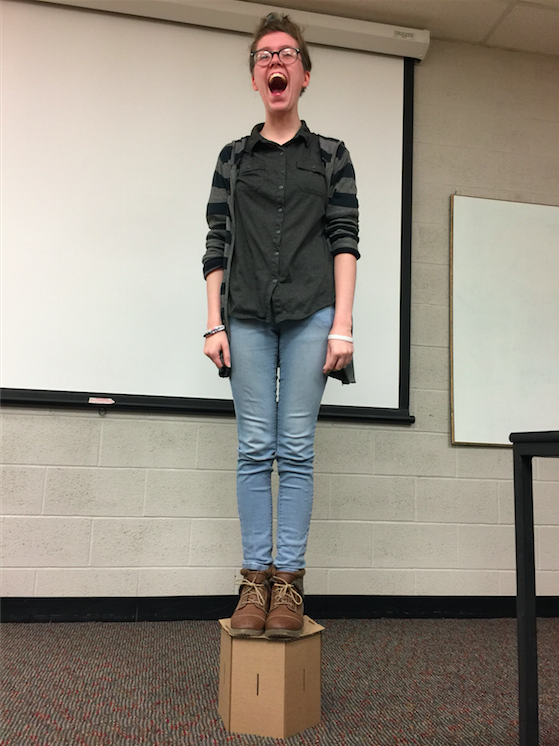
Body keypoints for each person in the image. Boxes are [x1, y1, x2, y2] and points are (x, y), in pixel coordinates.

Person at [202, 13, 359, 638]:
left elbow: (344, 239)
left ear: (304, 75)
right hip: (243, 314)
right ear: (255, 78)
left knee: (294, 450)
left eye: (288, 53)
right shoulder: (232, 159)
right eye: (266, 54)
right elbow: (217, 240)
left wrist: (342, 325)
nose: (277, 61)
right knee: (251, 449)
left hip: (312, 314)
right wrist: (211, 323)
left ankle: (287, 587)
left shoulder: (332, 157)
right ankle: (253, 583)